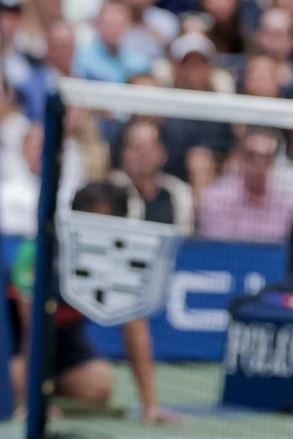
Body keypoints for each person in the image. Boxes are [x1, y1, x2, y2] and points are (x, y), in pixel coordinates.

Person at [10, 180, 180, 424]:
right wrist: (32, 403)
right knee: (11, 382)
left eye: (108, 224)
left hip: (67, 339)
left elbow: (136, 328)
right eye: (92, 223)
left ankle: (52, 386)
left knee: (97, 387)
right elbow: (32, 330)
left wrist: (150, 406)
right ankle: (35, 392)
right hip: (15, 338)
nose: (99, 233)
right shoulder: (37, 251)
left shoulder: (122, 257)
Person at [197, 127, 293, 241]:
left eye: (266, 158)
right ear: (239, 159)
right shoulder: (215, 198)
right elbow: (215, 247)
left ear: (273, 163)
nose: (259, 165)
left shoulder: (290, 206)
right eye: (252, 157)